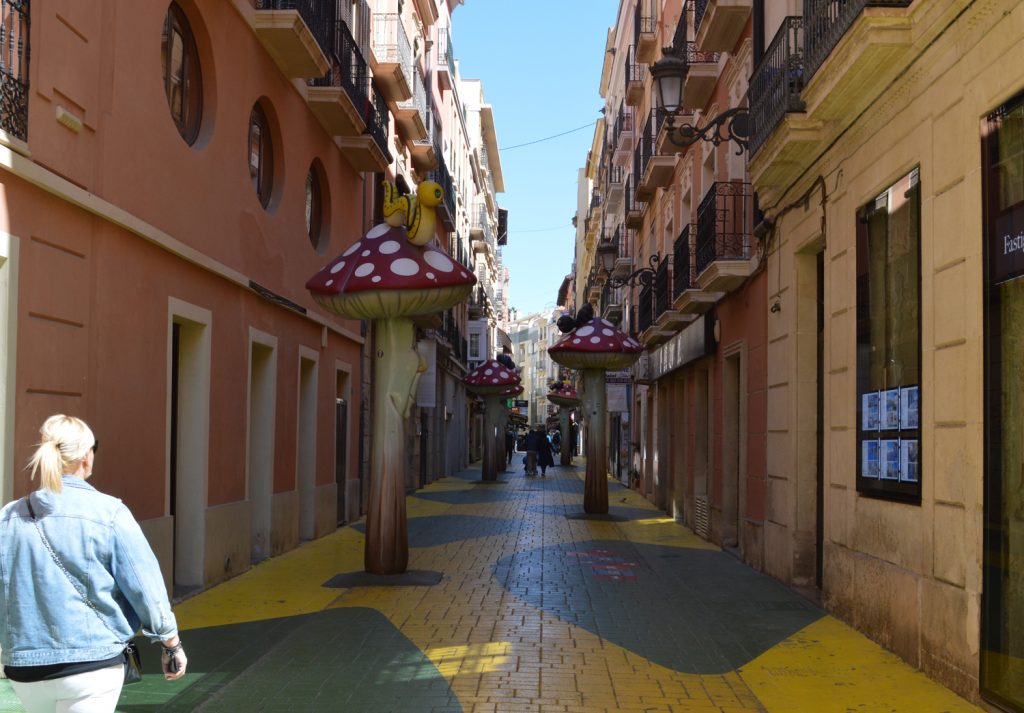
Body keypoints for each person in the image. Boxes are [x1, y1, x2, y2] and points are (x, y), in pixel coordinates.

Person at [0, 415, 187, 712]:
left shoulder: (9, 516)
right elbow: (145, 586)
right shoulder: (109, 512)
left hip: (26, 670)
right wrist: (170, 644)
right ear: (86, 457)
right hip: (92, 665)